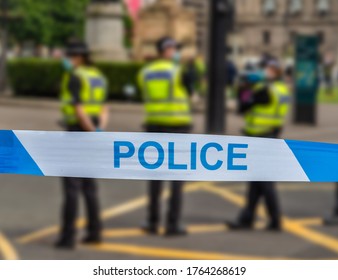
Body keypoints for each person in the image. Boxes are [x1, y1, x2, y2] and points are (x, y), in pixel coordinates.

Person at [55, 40, 109, 249]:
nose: (66, 61)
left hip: (77, 133)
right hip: (93, 131)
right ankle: (95, 232)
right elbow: (104, 107)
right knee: (90, 186)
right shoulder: (97, 76)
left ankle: (68, 237)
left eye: (68, 56)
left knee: (71, 187)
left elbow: (79, 109)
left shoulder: (75, 77)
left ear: (77, 57)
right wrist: (98, 130)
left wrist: (88, 130)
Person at [226, 59, 290, 231]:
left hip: (259, 137)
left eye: (269, 69)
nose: (265, 72)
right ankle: (247, 218)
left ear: (275, 72)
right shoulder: (281, 89)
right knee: (256, 182)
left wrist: (243, 89)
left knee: (264, 182)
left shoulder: (265, 90)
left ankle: (275, 219)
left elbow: (244, 106)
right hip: (271, 135)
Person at [138, 37, 193, 236]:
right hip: (178, 126)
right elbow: (190, 93)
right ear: (167, 50)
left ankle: (152, 222)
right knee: (176, 177)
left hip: (153, 126)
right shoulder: (178, 71)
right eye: (174, 49)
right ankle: (172, 224)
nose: (176, 52)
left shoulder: (146, 72)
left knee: (155, 176)